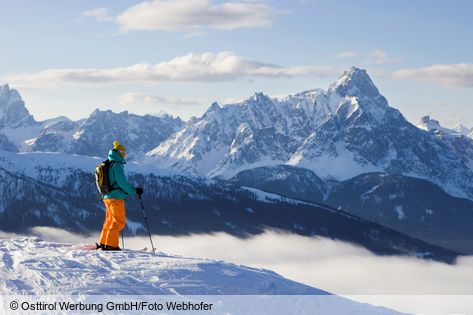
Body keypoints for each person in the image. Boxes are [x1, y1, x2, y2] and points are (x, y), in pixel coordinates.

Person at [97, 140, 143, 251]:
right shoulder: (117, 165)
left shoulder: (109, 163)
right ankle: (111, 245)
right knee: (118, 221)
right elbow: (122, 183)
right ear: (118, 152)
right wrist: (134, 191)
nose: (124, 154)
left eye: (124, 152)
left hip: (107, 197)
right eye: (122, 152)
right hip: (116, 197)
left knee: (109, 221)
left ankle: (104, 243)